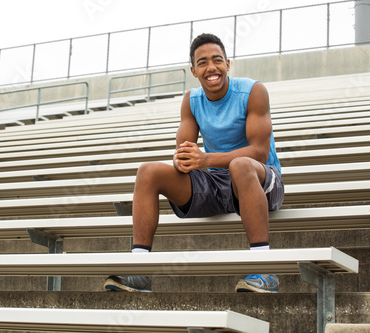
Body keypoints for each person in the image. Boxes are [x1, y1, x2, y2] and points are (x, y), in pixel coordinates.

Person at [103, 32, 284, 293]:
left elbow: (259, 152)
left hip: (261, 179)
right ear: (193, 70)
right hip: (218, 181)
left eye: (217, 60)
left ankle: (265, 268)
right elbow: (184, 153)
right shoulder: (191, 100)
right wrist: (183, 161)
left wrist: (206, 159)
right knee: (148, 171)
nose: (211, 67)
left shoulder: (253, 91)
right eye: (202, 63)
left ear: (228, 64)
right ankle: (139, 269)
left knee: (241, 165)